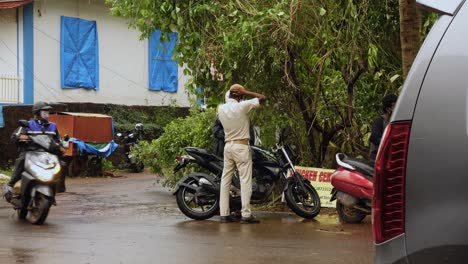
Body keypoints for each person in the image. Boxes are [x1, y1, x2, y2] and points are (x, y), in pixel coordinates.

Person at [217, 84, 266, 224]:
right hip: (241, 146)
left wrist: (239, 93)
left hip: (228, 147)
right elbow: (262, 98)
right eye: (242, 94)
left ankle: (224, 214)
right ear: (239, 94)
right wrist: (247, 92)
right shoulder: (242, 106)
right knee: (245, 181)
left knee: (225, 180)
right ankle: (246, 215)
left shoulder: (221, 108)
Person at [5, 102, 62, 197]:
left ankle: (57, 188)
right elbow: (15, 136)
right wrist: (21, 137)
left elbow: (58, 141)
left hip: (46, 154)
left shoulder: (53, 126)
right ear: (37, 112)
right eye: (44, 111)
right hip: (30, 152)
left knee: (60, 164)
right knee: (21, 160)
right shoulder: (28, 124)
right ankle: (11, 184)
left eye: (47, 111)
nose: (47, 113)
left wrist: (60, 146)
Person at [369, 94, 398, 160]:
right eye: (395, 106)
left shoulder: (395, 122)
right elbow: (375, 139)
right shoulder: (379, 121)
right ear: (388, 109)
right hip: (377, 157)